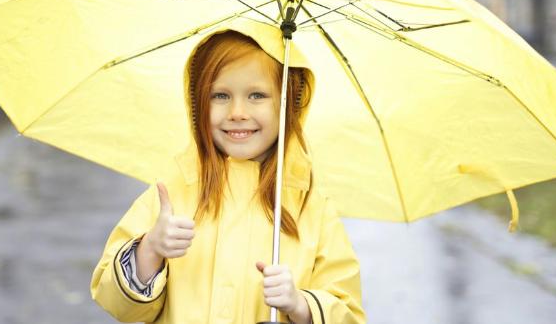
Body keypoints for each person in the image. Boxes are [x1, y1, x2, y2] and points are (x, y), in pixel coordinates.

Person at [91, 30, 365, 323]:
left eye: (257, 95)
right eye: (220, 95)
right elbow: (116, 303)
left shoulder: (312, 211)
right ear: (198, 105)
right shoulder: (173, 193)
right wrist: (150, 249)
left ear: (288, 105)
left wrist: (300, 306)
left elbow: (348, 312)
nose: (237, 112)